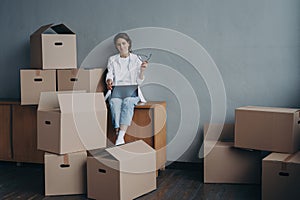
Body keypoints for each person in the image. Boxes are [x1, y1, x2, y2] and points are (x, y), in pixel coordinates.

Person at [106, 32, 148, 145]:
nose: (121, 47)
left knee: (128, 102)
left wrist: (142, 70)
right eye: (118, 44)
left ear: (128, 44)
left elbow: (139, 82)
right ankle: (117, 132)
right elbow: (110, 74)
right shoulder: (112, 59)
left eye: (124, 43)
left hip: (132, 92)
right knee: (114, 102)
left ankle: (120, 136)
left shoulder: (136, 59)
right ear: (116, 46)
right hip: (117, 90)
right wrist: (108, 80)